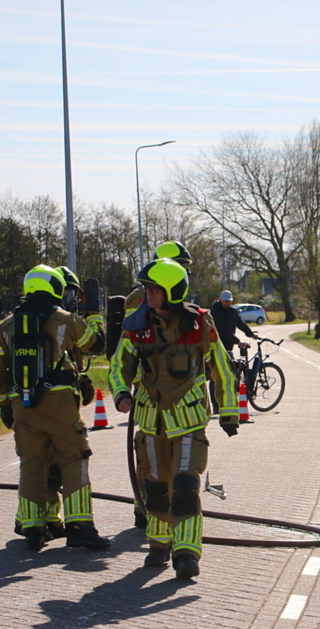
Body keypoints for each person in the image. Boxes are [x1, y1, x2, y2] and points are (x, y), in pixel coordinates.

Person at [109, 258, 239, 579]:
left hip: (189, 423)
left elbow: (222, 368)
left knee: (184, 488)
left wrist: (229, 411)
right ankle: (158, 545)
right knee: (155, 489)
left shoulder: (201, 324)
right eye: (147, 288)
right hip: (151, 424)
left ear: (173, 291)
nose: (148, 294)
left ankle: (186, 553)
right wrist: (122, 393)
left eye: (154, 289)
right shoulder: (136, 324)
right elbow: (118, 366)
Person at [0, 264, 111, 551]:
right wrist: (93, 313)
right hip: (60, 404)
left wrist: (5, 404)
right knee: (73, 458)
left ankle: (33, 528)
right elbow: (97, 344)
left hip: (23, 405)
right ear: (55, 288)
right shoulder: (64, 320)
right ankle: (80, 527)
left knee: (31, 464)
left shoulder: (6, 326)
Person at [121, 240, 194, 529]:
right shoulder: (142, 298)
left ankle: (176, 505)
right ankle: (147, 507)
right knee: (149, 451)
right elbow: (130, 345)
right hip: (150, 384)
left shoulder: (179, 298)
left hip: (181, 388)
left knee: (181, 451)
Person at [208, 290, 259, 412]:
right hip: (216, 346)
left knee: (229, 375)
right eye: (225, 301)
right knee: (216, 376)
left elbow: (240, 323)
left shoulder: (232, 311)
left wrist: (251, 334)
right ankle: (216, 405)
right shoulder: (215, 313)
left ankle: (226, 401)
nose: (227, 303)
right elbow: (223, 332)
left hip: (228, 348)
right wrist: (238, 342)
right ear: (220, 300)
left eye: (229, 301)